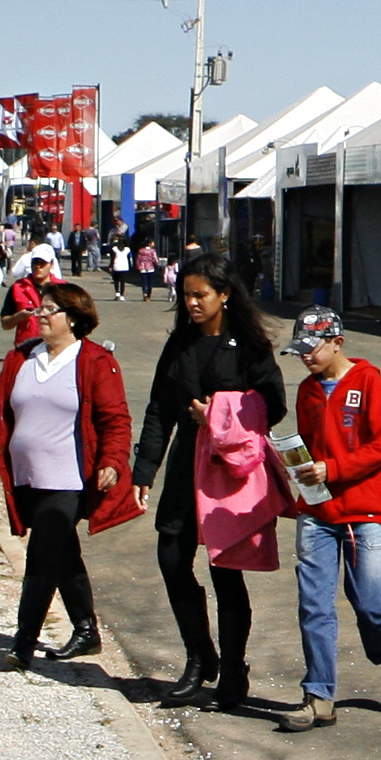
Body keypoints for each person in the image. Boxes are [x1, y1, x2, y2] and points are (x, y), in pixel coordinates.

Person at [131, 254, 286, 711]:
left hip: (229, 469)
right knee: (172, 556)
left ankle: (234, 670)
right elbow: (159, 408)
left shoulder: (251, 344)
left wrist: (219, 413)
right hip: (185, 463)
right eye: (186, 295)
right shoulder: (180, 342)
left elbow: (272, 402)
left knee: (226, 572)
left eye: (201, 295)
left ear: (224, 295)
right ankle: (200, 655)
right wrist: (145, 470)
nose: (192, 303)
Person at [0, 281, 138, 669]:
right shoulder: (21, 359)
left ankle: (24, 640)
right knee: (61, 551)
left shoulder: (94, 361)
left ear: (74, 318)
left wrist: (112, 461)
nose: (41, 316)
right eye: (40, 309)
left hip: (68, 478)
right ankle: (86, 629)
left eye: (50, 310)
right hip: (25, 478)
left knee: (41, 555)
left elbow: (115, 420)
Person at [277, 310, 381, 730]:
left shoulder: (368, 381)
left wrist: (332, 469)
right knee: (314, 604)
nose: (305, 358)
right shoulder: (307, 392)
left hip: (363, 511)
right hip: (317, 513)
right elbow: (308, 445)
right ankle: (318, 694)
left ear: (337, 342)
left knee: (369, 601)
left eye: (311, 349)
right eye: (299, 351)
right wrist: (301, 469)